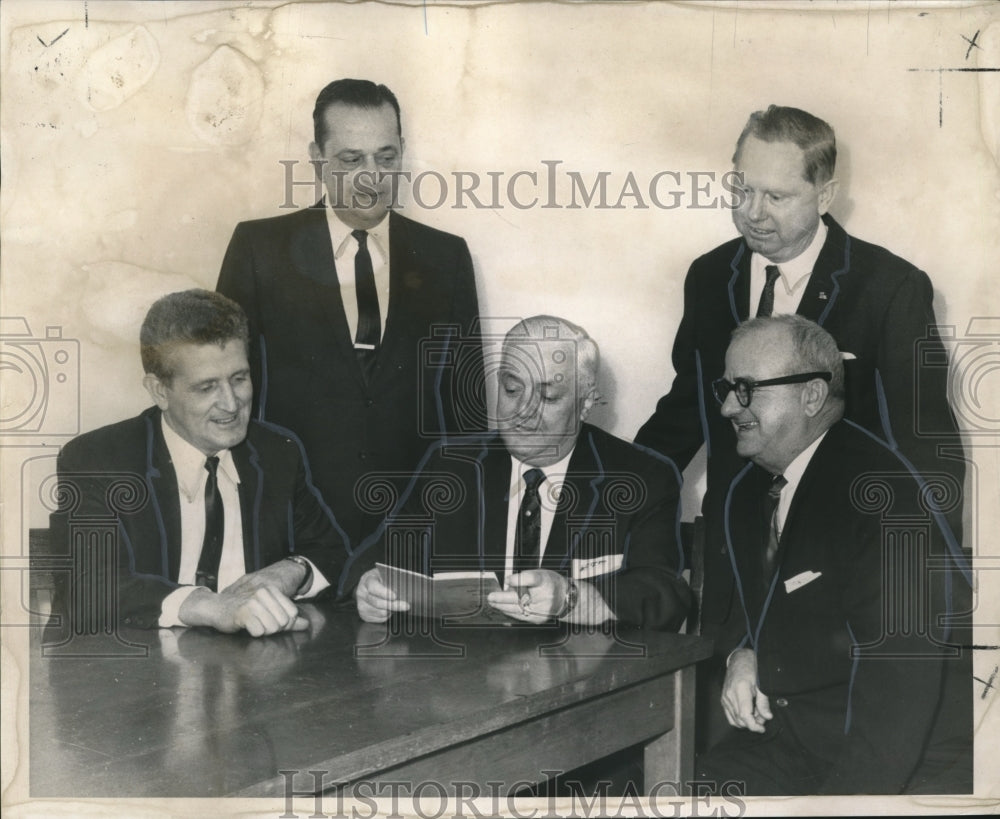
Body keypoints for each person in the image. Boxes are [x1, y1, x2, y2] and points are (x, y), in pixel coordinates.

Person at [635, 104, 964, 550]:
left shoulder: (890, 287)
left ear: (825, 196)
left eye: (776, 197)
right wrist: (614, 493)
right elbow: (686, 410)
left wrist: (923, 579)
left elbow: (926, 446)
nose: (752, 212)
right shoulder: (709, 277)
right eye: (743, 190)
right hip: (733, 543)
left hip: (845, 545)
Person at [696, 315, 971, 794]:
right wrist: (745, 652)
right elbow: (768, 603)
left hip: (909, 759)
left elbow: (901, 686)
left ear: (812, 395)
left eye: (744, 389)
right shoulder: (745, 492)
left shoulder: (884, 495)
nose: (724, 407)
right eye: (725, 387)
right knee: (675, 790)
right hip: (796, 739)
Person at [217, 77, 484, 560]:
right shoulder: (260, 249)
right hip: (290, 527)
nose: (370, 177)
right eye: (350, 160)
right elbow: (227, 394)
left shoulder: (446, 258)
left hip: (411, 532)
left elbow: (466, 413)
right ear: (317, 158)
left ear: (402, 153)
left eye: (385, 158)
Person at [353, 315, 692, 631]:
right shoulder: (452, 465)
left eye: (547, 396)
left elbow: (666, 595)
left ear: (586, 402)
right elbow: (378, 557)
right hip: (464, 680)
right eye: (512, 390)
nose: (523, 413)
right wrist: (370, 589)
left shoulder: (643, 477)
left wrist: (575, 599)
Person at [49, 290, 348, 636]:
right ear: (159, 391)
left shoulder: (277, 451)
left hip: (251, 672)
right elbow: (87, 590)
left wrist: (290, 571)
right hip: (133, 668)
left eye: (239, 378)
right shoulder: (98, 459)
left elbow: (332, 553)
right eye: (207, 387)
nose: (231, 404)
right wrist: (211, 606)